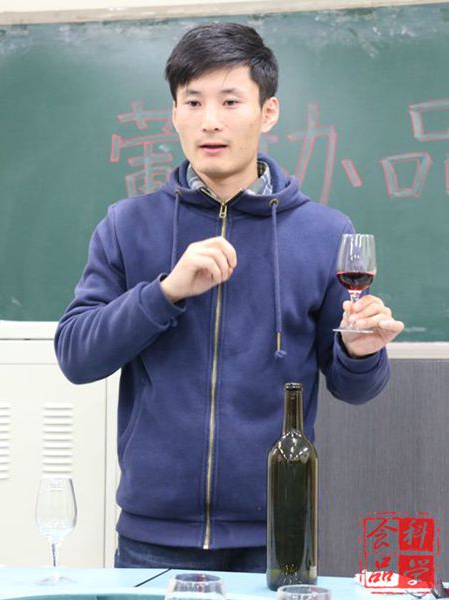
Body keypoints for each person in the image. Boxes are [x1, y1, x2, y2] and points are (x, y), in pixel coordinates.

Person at [54, 22, 404, 572]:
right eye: (193, 101)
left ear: (268, 112)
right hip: (152, 535)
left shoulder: (324, 232)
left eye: (230, 101)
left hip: (278, 530)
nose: (210, 120)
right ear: (174, 113)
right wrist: (165, 292)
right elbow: (76, 356)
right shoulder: (127, 225)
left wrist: (361, 353)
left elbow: (354, 389)